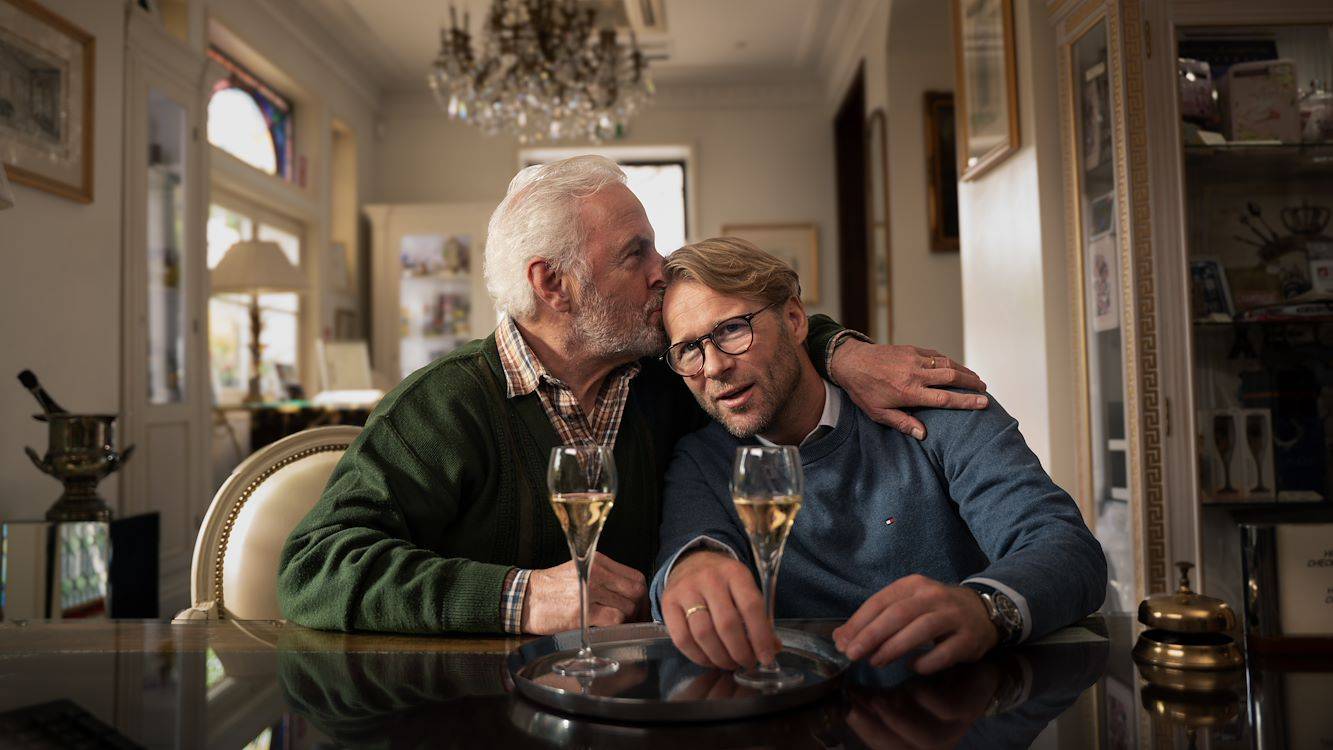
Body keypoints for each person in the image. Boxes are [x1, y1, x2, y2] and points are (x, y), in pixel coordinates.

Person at [278, 156, 990, 635]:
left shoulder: (667, 375)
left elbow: (760, 332)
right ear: (552, 284)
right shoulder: (443, 407)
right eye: (635, 253)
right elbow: (314, 567)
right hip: (480, 713)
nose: (663, 270)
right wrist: (519, 597)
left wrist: (840, 351)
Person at [651, 237, 1106, 674]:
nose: (714, 367)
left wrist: (984, 607)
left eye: (732, 329)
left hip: (960, 696)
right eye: (689, 349)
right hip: (801, 706)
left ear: (794, 320)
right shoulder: (701, 462)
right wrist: (691, 571)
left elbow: (1067, 549)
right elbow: (690, 552)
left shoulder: (933, 406)